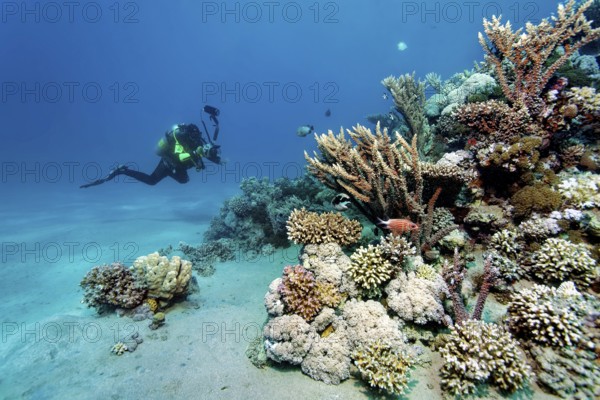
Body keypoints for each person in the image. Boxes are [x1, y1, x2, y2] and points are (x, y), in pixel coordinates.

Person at [80, 106, 222, 188]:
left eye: (196, 137)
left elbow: (205, 153)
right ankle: (122, 170)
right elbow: (180, 155)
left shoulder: (198, 141)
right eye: (193, 136)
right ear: (188, 134)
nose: (195, 139)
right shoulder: (179, 137)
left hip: (179, 166)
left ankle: (170, 172)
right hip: (169, 162)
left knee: (184, 181)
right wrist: (195, 154)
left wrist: (216, 157)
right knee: (151, 181)